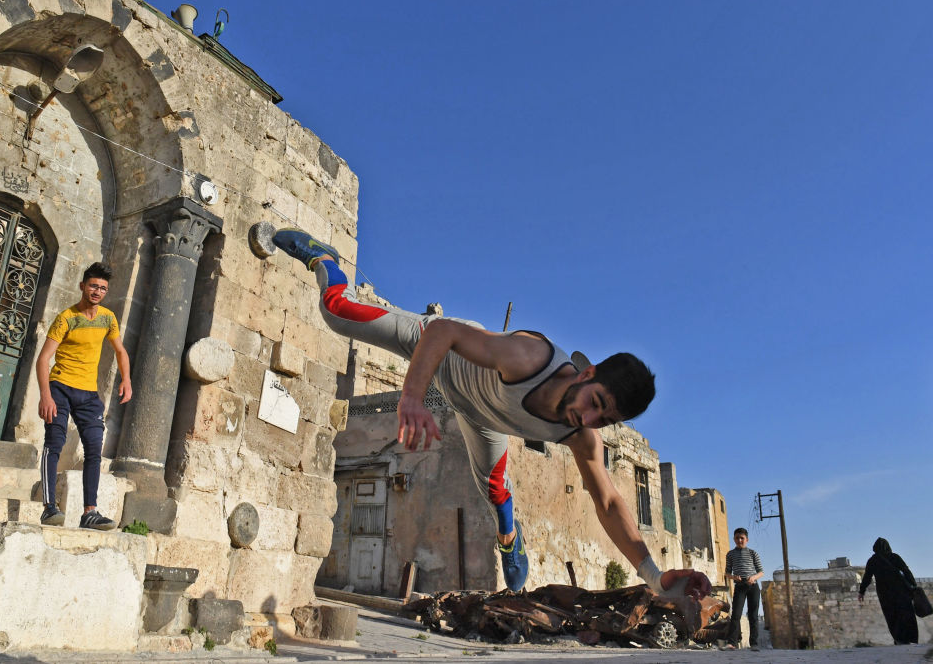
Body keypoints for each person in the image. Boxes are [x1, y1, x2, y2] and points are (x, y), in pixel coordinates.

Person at [271, 228, 710, 598]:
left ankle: (508, 540)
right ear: (587, 372)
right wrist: (412, 398)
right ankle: (322, 258)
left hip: (481, 418)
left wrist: (654, 576)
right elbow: (443, 330)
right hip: (436, 351)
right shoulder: (529, 357)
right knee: (337, 312)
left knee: (496, 491)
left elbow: (609, 501)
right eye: (595, 403)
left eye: (605, 420)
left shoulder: (582, 438)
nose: (589, 419)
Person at [36, 262, 132, 530]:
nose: (97, 291)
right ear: (83, 286)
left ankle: (90, 511)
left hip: (88, 394)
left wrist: (127, 379)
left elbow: (121, 351)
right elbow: (44, 359)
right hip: (60, 388)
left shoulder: (108, 318)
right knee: (54, 441)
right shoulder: (66, 317)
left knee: (93, 447)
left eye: (102, 288)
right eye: (93, 286)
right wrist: (46, 395)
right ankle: (49, 506)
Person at [858, 537, 918, 644]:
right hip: (901, 591)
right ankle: (911, 638)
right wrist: (914, 585)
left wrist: (861, 592)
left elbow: (867, 578)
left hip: (884, 593)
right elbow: (906, 571)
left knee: (891, 616)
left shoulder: (872, 561)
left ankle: (899, 638)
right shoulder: (895, 557)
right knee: (906, 613)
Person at [723, 527, 763, 651]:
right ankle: (732, 643)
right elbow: (727, 573)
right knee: (736, 615)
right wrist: (734, 577)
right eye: (737, 538)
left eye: (742, 538)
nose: (739, 540)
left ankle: (754, 644)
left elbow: (761, 571)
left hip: (753, 586)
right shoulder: (730, 554)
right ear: (734, 539)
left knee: (753, 615)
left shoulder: (753, 553)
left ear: (747, 539)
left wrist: (753, 577)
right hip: (739, 586)